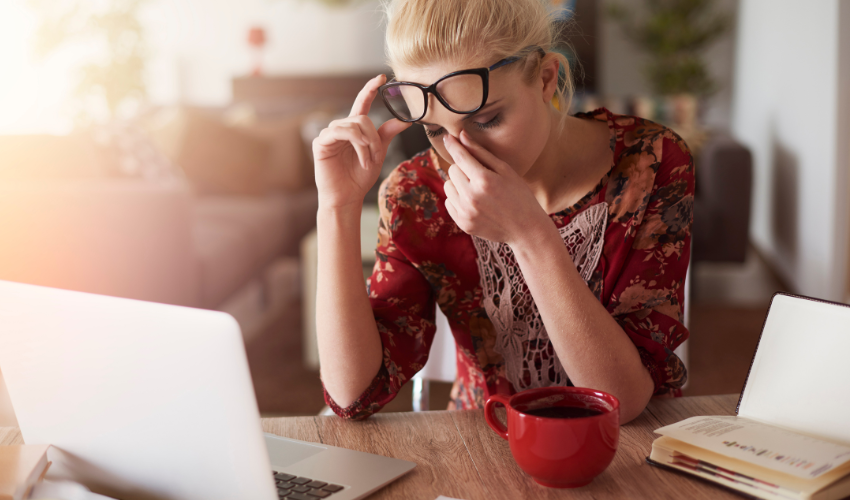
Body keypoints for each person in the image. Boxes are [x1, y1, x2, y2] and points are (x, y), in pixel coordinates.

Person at [312, 0, 693, 424]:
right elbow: (353, 395)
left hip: (630, 452)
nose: (461, 155)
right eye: (436, 130)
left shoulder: (650, 161)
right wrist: (337, 207)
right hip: (485, 442)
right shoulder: (416, 194)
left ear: (547, 78)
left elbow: (622, 402)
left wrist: (530, 235)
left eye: (487, 119)